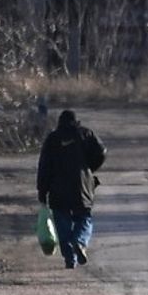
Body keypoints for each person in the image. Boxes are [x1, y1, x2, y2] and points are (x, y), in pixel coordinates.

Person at [36, 109, 107, 270]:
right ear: (76, 122)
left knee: (62, 224)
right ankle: (80, 242)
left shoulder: (53, 139)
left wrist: (42, 190)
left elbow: (44, 167)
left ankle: (70, 259)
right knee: (84, 218)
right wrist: (89, 168)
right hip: (82, 187)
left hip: (58, 189)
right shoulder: (86, 134)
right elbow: (102, 151)